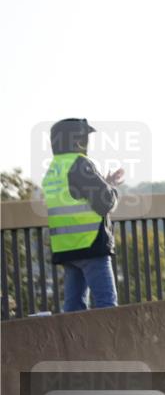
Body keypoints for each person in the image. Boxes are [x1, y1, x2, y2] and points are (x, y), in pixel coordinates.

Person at [41, 118, 123, 312]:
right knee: (107, 305)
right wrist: (111, 188)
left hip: (67, 248)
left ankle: (73, 343)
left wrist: (104, 181)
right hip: (91, 245)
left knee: (74, 308)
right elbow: (106, 203)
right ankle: (108, 344)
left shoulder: (54, 168)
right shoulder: (79, 163)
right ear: (77, 140)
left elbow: (75, 195)